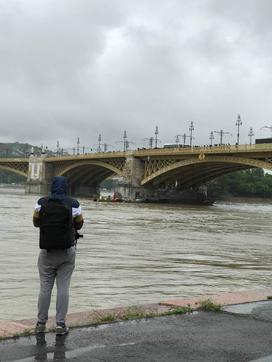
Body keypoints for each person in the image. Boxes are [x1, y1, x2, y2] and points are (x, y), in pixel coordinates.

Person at [33, 176, 84, 335]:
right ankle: (61, 325)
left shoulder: (41, 202)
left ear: (52, 187)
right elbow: (79, 224)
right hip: (67, 253)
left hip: (47, 253)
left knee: (45, 288)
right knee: (63, 288)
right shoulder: (74, 204)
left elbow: (36, 223)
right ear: (66, 187)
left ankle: (41, 324)